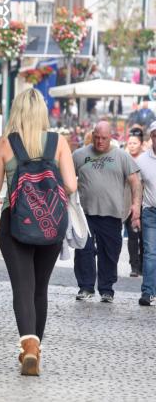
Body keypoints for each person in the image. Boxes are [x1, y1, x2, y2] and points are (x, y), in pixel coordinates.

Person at [0, 88, 77, 376]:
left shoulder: (4, 144)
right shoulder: (58, 142)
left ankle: (29, 348)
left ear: (16, 111)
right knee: (40, 288)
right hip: (50, 224)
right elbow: (72, 186)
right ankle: (36, 349)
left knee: (22, 288)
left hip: (15, 224)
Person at [72, 121, 141, 303]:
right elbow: (67, 178)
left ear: (111, 137)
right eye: (97, 137)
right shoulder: (79, 155)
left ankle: (106, 289)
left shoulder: (121, 156)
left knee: (110, 253)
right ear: (92, 135)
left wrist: (135, 205)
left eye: (104, 138)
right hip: (85, 214)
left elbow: (135, 182)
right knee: (84, 251)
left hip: (112, 214)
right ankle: (86, 287)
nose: (100, 141)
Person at [135, 122, 156, 306]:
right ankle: (148, 292)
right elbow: (137, 188)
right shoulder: (142, 160)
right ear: (151, 137)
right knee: (150, 253)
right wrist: (135, 211)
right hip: (150, 212)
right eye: (155, 135)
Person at [125, 127, 145, 277]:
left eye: (135, 143)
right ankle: (134, 266)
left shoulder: (145, 160)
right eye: (130, 142)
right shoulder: (123, 158)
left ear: (141, 144)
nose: (132, 145)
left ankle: (144, 265)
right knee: (132, 236)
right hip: (127, 204)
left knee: (144, 237)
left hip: (144, 204)